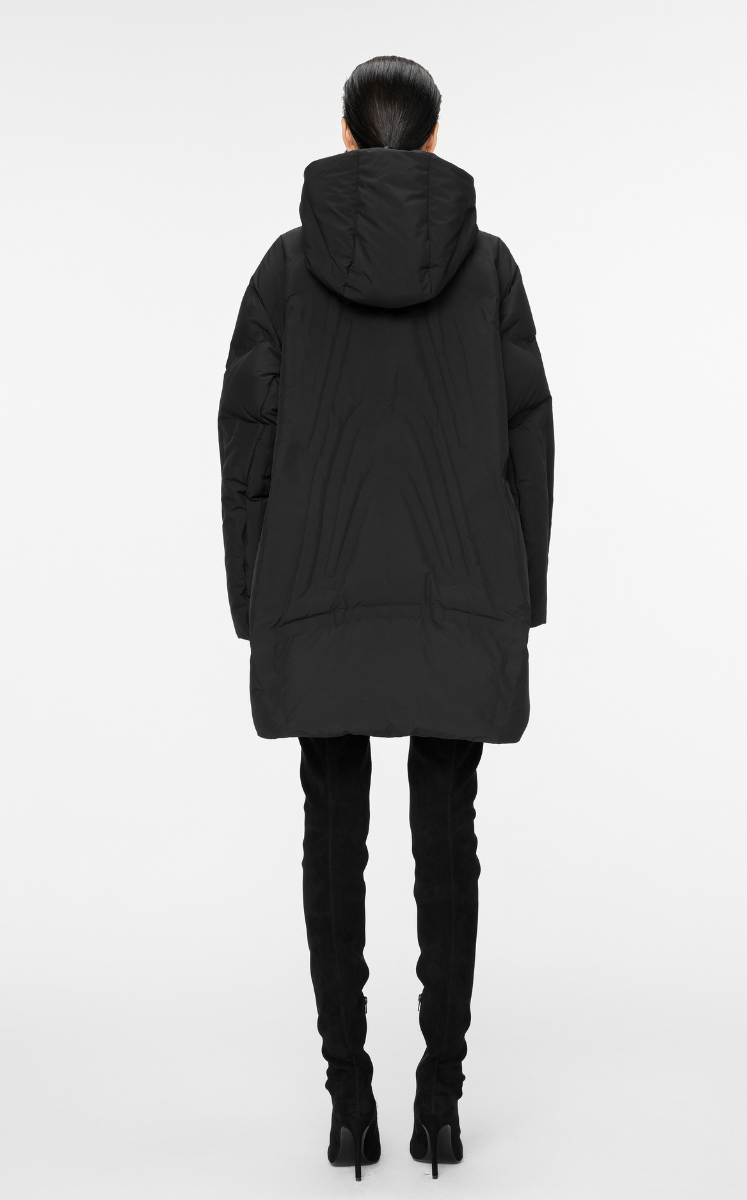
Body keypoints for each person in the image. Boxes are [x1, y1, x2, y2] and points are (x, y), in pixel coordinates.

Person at [217, 55, 554, 1181]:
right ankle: (440, 1107)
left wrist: (255, 599)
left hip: (317, 587)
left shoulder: (286, 269)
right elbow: (530, 438)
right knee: (448, 834)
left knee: (332, 832)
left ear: (347, 135)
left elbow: (245, 443)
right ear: (437, 138)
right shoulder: (490, 268)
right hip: (459, 587)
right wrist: (519, 598)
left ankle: (348, 1108)